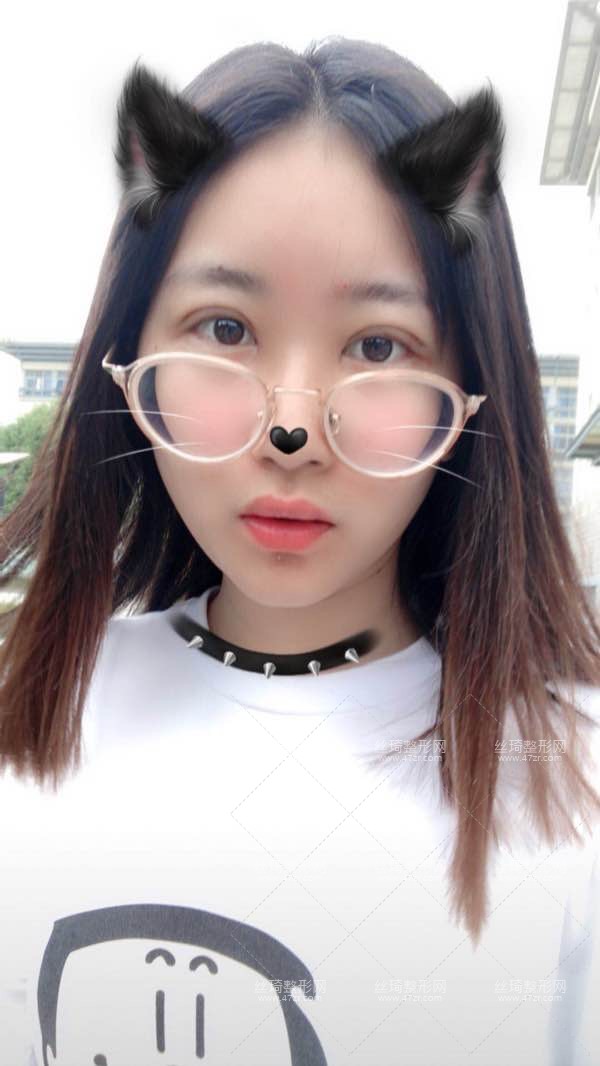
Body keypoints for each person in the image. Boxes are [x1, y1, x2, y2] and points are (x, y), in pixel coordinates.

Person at [0, 36, 599, 1066]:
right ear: (130, 356)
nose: (292, 428)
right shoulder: (31, 710)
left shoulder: (569, 785)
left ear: (472, 391)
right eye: (225, 328)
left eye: (378, 345)